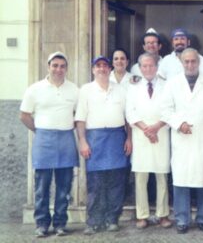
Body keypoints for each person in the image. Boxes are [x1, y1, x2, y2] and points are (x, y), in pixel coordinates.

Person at [161, 48, 203, 234]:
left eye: (193, 61)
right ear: (182, 63)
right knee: (181, 181)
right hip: (182, 140)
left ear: (199, 62)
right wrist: (179, 124)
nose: (190, 65)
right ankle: (182, 219)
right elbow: (165, 110)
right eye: (186, 61)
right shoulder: (173, 83)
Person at [19, 52, 79, 238]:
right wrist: (40, 131)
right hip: (44, 140)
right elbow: (24, 115)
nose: (58, 69)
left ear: (66, 68)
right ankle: (42, 224)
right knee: (42, 186)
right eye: (55, 65)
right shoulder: (35, 89)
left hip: (66, 139)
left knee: (64, 185)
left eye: (62, 66)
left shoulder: (74, 89)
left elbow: (79, 115)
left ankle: (60, 223)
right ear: (48, 66)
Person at [75, 56, 132, 235]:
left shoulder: (121, 90)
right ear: (93, 70)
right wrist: (83, 141)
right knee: (96, 183)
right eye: (98, 66)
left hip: (116, 138)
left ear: (110, 69)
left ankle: (112, 219)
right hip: (95, 139)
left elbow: (128, 118)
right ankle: (93, 221)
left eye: (105, 66)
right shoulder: (86, 90)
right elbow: (80, 119)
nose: (102, 69)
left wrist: (129, 139)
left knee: (116, 182)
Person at [126, 53, 172, 229]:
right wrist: (146, 128)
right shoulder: (133, 88)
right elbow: (130, 112)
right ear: (139, 67)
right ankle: (142, 215)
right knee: (141, 177)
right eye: (144, 66)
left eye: (151, 65)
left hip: (160, 134)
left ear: (157, 66)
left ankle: (163, 215)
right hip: (141, 136)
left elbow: (170, 110)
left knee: (162, 176)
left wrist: (156, 127)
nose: (148, 69)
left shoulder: (166, 86)